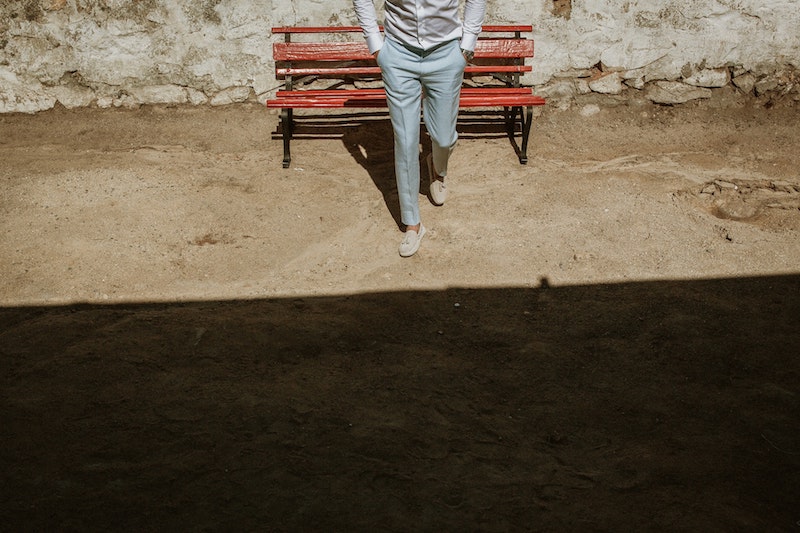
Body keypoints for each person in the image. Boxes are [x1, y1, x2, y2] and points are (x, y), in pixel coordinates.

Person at [353, 0, 486, 257]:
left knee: (444, 138)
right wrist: (376, 46)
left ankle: (437, 169)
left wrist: (467, 46)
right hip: (398, 55)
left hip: (446, 53)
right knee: (405, 141)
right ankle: (412, 223)